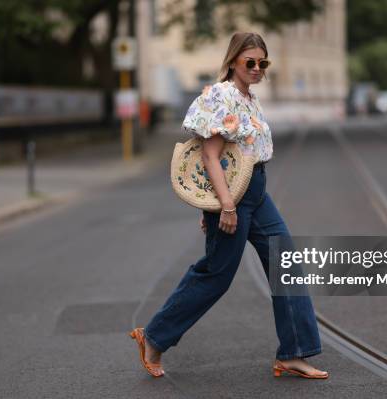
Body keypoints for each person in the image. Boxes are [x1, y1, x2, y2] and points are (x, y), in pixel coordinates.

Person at [129, 32, 328, 380]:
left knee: (286, 261)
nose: (256, 68)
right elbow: (210, 155)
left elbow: (242, 157)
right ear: (233, 60)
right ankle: (154, 337)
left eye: (262, 63)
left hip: (257, 193)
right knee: (216, 275)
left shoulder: (249, 99)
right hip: (233, 198)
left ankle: (293, 353)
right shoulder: (221, 96)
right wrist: (223, 206)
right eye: (249, 62)